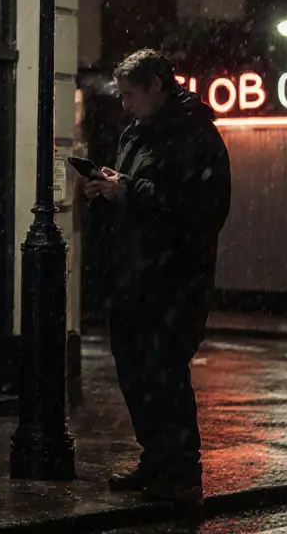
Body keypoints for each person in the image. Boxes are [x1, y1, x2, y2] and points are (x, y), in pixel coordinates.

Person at [84, 49, 232, 507]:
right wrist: (110, 189)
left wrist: (126, 190)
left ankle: (182, 472)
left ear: (156, 87)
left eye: (131, 94)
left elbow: (196, 206)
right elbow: (145, 192)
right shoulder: (139, 131)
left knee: (163, 371)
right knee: (135, 371)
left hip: (172, 278)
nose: (124, 103)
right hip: (134, 274)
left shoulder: (192, 135)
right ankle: (157, 460)